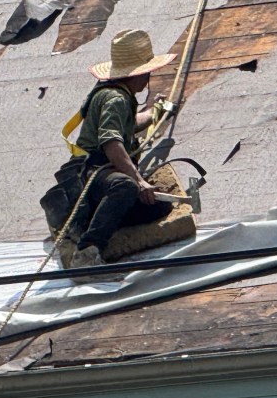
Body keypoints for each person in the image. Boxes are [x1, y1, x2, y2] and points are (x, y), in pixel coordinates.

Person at [40, 29, 177, 270]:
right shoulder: (116, 99)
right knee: (125, 186)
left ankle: (96, 220)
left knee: (159, 207)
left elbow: (129, 124)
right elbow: (111, 144)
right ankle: (87, 254)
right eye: (147, 73)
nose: (148, 78)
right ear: (139, 74)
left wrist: (155, 112)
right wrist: (139, 181)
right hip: (91, 171)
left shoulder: (117, 94)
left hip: (101, 172)